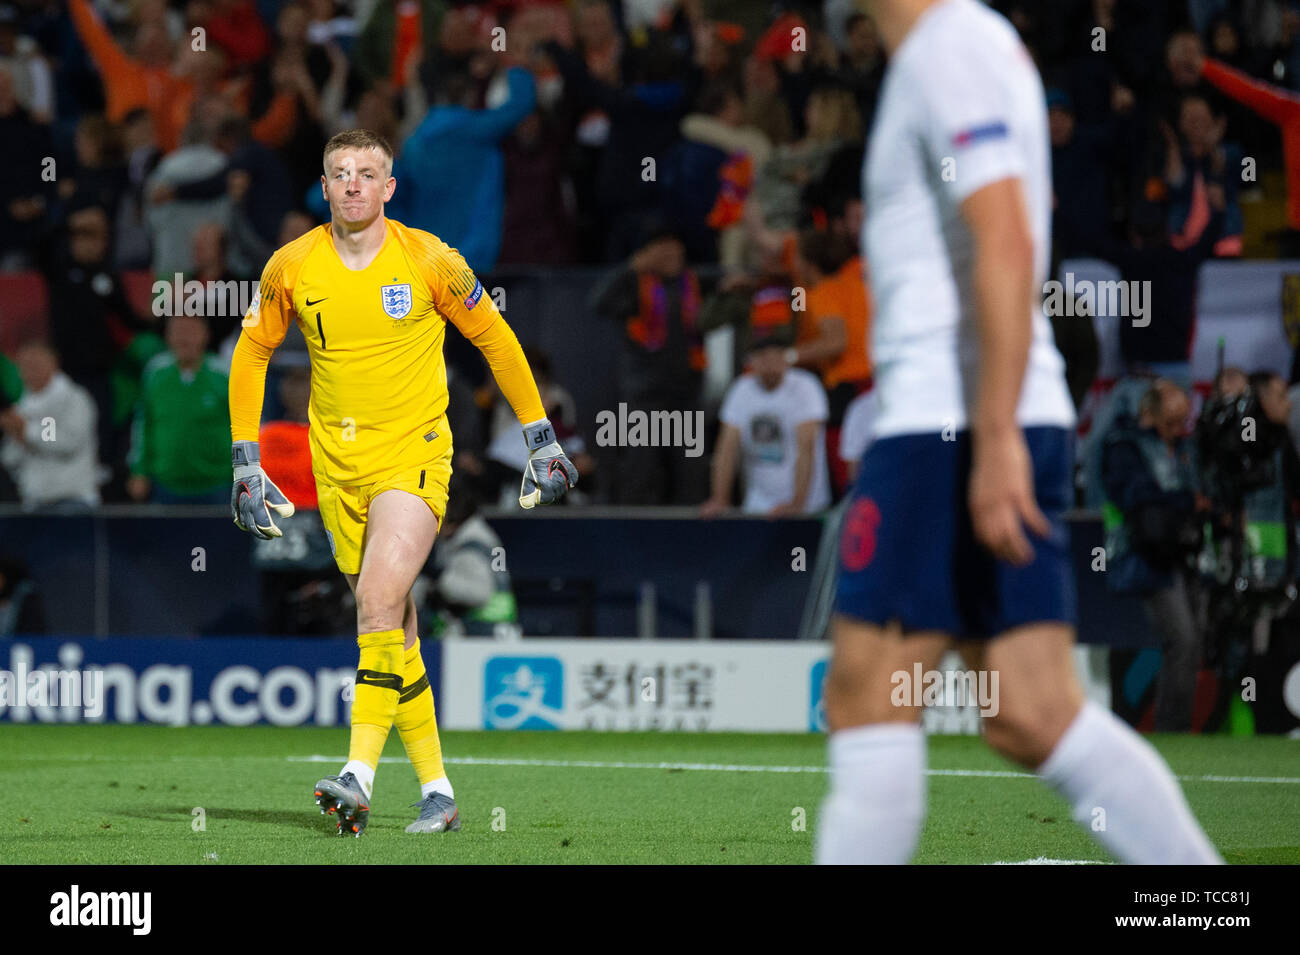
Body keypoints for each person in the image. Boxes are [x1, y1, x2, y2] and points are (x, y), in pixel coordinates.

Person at [816, 0, 1220, 865]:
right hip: (975, 414)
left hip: (947, 421)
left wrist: (992, 438)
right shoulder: (952, 49)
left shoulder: (947, 51)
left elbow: (1004, 238)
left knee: (866, 697)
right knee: (1031, 711)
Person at [228, 129, 577, 837]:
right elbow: (253, 349)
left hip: (413, 459)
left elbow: (494, 337)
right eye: (339, 174)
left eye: (367, 173)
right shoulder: (292, 265)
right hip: (336, 470)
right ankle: (439, 792)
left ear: (390, 187)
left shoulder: (429, 258)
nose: (352, 184)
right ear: (324, 188)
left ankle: (356, 773)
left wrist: (540, 433)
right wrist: (244, 458)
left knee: (379, 599)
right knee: (397, 629)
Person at [1101, 380, 1207, 732]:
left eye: (1182, 422)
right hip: (1145, 556)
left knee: (1191, 641)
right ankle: (1171, 728)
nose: (1177, 431)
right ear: (1149, 415)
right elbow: (1137, 495)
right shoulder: (1124, 447)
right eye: (1171, 422)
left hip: (1184, 553)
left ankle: (1176, 725)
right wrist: (1186, 502)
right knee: (1182, 639)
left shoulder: (1181, 447)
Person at [701, 328, 830, 518]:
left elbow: (806, 447)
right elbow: (727, 448)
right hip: (758, 503)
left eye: (776, 357)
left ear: (786, 359)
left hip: (807, 505)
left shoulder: (805, 387)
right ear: (751, 361)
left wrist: (797, 503)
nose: (770, 364)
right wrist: (720, 498)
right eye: (763, 358)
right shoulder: (741, 390)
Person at [127, 314, 231, 505]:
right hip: (165, 485)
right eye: (177, 332)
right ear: (167, 337)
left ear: (205, 335)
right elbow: (143, 425)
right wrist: (139, 471)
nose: (184, 339)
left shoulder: (224, 374)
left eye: (191, 332)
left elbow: (248, 428)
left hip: (218, 485)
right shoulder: (155, 373)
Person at [0, 341, 99, 511]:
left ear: (53, 363)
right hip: (33, 501)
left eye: (35, 364)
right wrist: (15, 433)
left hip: (70, 501)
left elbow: (62, 442)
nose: (29, 371)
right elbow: (10, 458)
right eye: (24, 365)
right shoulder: (25, 405)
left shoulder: (69, 399)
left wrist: (25, 429)